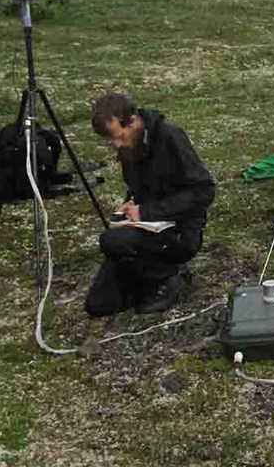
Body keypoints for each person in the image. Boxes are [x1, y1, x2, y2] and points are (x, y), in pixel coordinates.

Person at [85, 91, 216, 317]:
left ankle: (170, 276)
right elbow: (143, 186)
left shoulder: (170, 136)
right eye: (111, 139)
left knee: (110, 241)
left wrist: (147, 211)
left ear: (133, 120)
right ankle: (146, 278)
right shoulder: (130, 145)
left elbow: (203, 191)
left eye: (119, 136)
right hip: (148, 226)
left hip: (180, 231)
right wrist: (131, 202)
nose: (116, 144)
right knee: (98, 306)